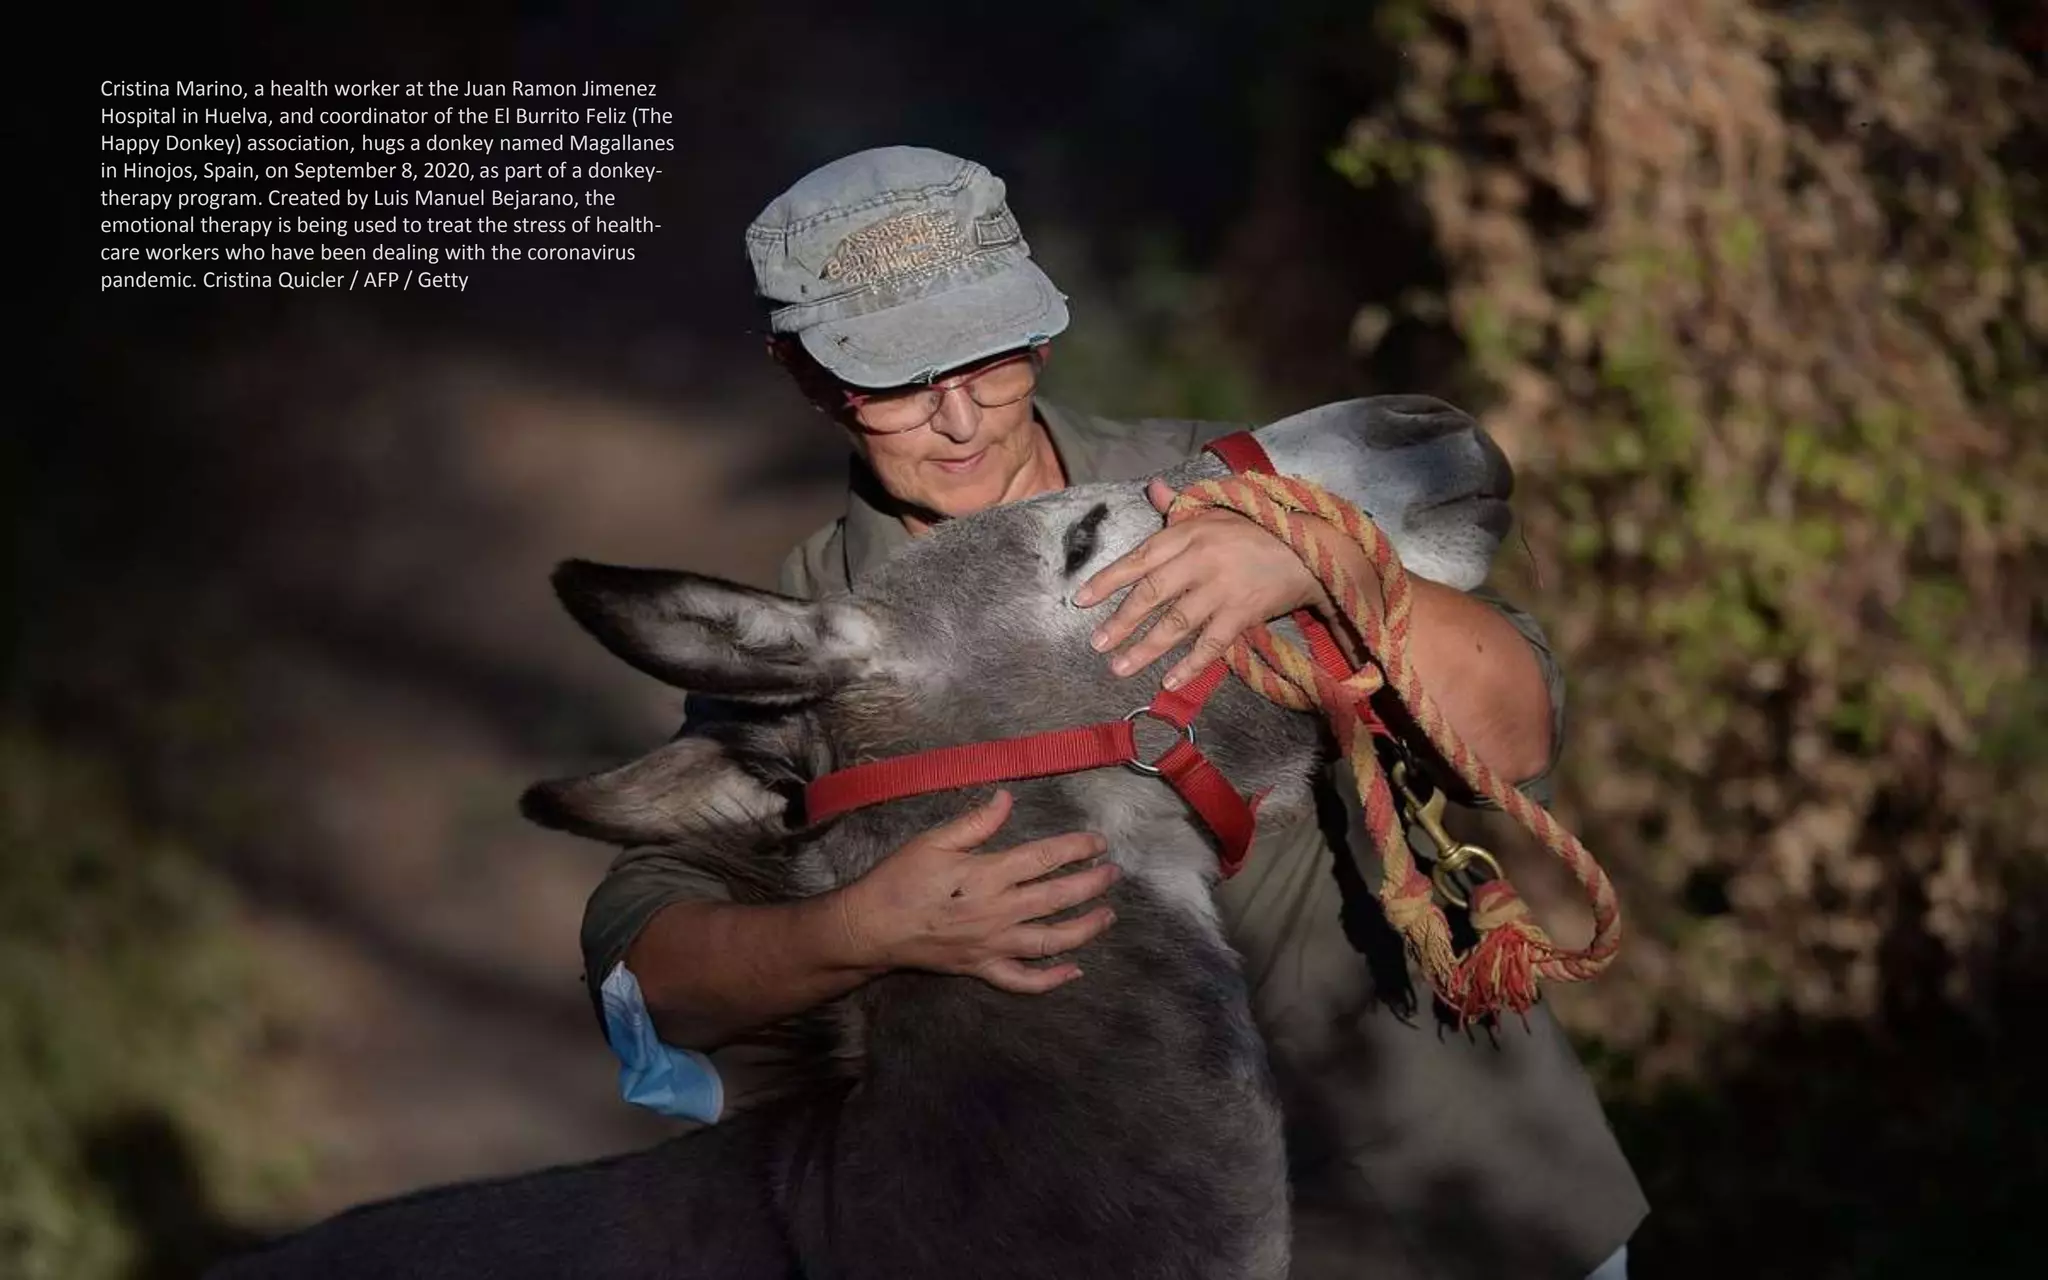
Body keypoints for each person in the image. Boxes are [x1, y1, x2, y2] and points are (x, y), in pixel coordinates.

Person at [579, 146, 1645, 1279]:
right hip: (1092, 1231)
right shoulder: (811, 645)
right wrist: (858, 928)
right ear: (801, 375)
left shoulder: (1221, 486)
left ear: (1037, 334)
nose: (959, 419)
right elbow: (647, 965)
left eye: (987, 357)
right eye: (893, 378)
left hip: (1453, 1194)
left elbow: (1516, 736)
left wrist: (1322, 564)